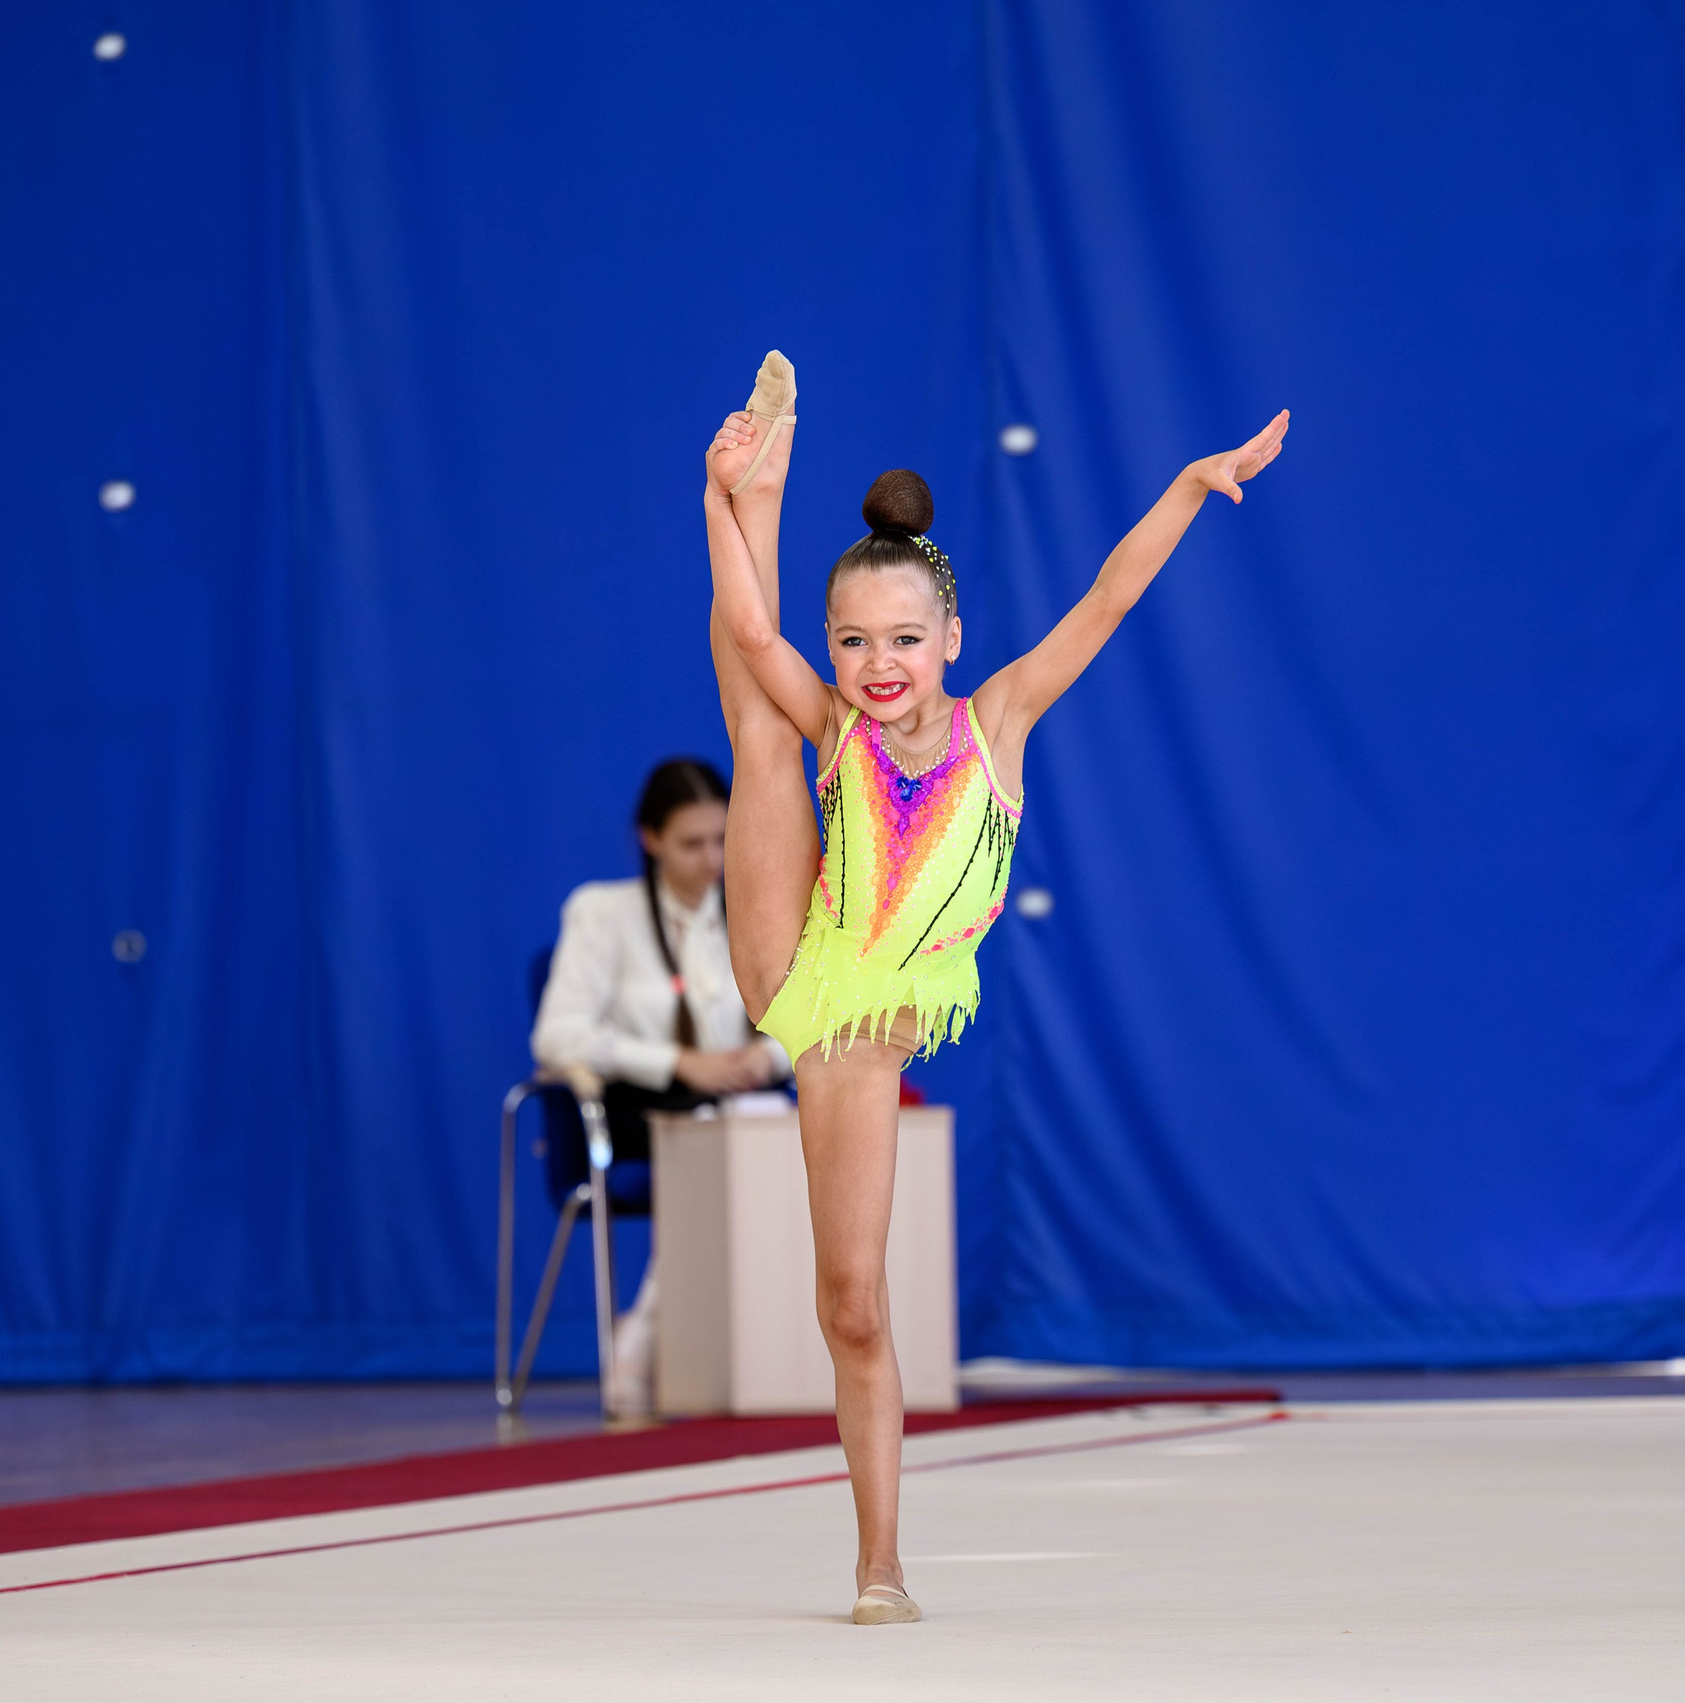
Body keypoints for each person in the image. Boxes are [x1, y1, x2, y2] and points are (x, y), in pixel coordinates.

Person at [702, 350, 1287, 1623]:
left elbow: (1108, 598)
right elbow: (752, 634)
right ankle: (763, 485)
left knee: (851, 1304)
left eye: (904, 639)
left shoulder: (998, 722)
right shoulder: (837, 727)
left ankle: (881, 1562)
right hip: (800, 968)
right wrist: (715, 498)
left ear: (952, 639)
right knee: (756, 719)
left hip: (863, 1024)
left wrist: (1191, 485)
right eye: (852, 641)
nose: (878, 663)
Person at [531, 757, 792, 1414]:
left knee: (777, 1132)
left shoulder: (755, 911)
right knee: (711, 1141)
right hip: (638, 1113)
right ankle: (644, 1338)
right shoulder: (602, 913)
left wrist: (766, 1056)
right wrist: (677, 1063)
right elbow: (557, 1035)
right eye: (691, 843)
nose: (711, 861)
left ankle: (772, 1362)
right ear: (649, 839)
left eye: (721, 840)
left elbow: (806, 1019)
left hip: (738, 1111)